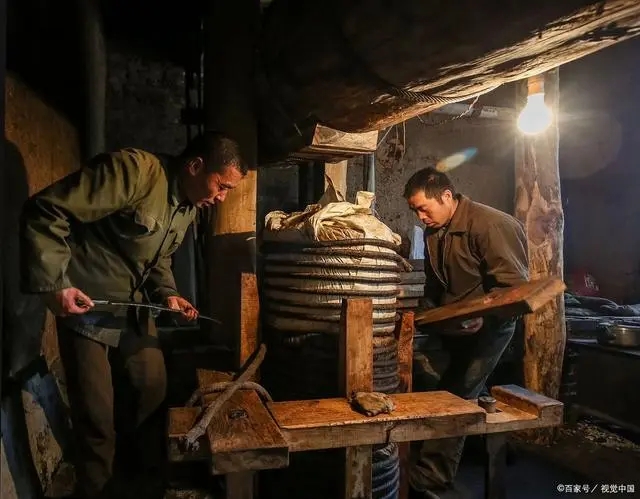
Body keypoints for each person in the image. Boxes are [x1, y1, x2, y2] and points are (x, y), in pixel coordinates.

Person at [20, 132, 247, 499]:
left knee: (152, 390)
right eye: (221, 186)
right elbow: (47, 209)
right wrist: (55, 285)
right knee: (96, 418)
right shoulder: (134, 172)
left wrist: (169, 294)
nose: (222, 198)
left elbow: (158, 258)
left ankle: (141, 487)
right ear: (195, 166)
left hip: (133, 311)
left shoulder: (188, 208)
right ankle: (97, 491)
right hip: (88, 309)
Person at [403, 168, 529, 499]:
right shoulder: (434, 231)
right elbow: (434, 285)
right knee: (445, 379)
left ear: (447, 196)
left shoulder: (492, 225)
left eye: (423, 208)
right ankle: (489, 446)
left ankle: (430, 479)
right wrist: (424, 314)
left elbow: (515, 292)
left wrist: (483, 319)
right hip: (454, 325)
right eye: (415, 210)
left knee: (455, 395)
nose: (420, 217)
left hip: (490, 328)